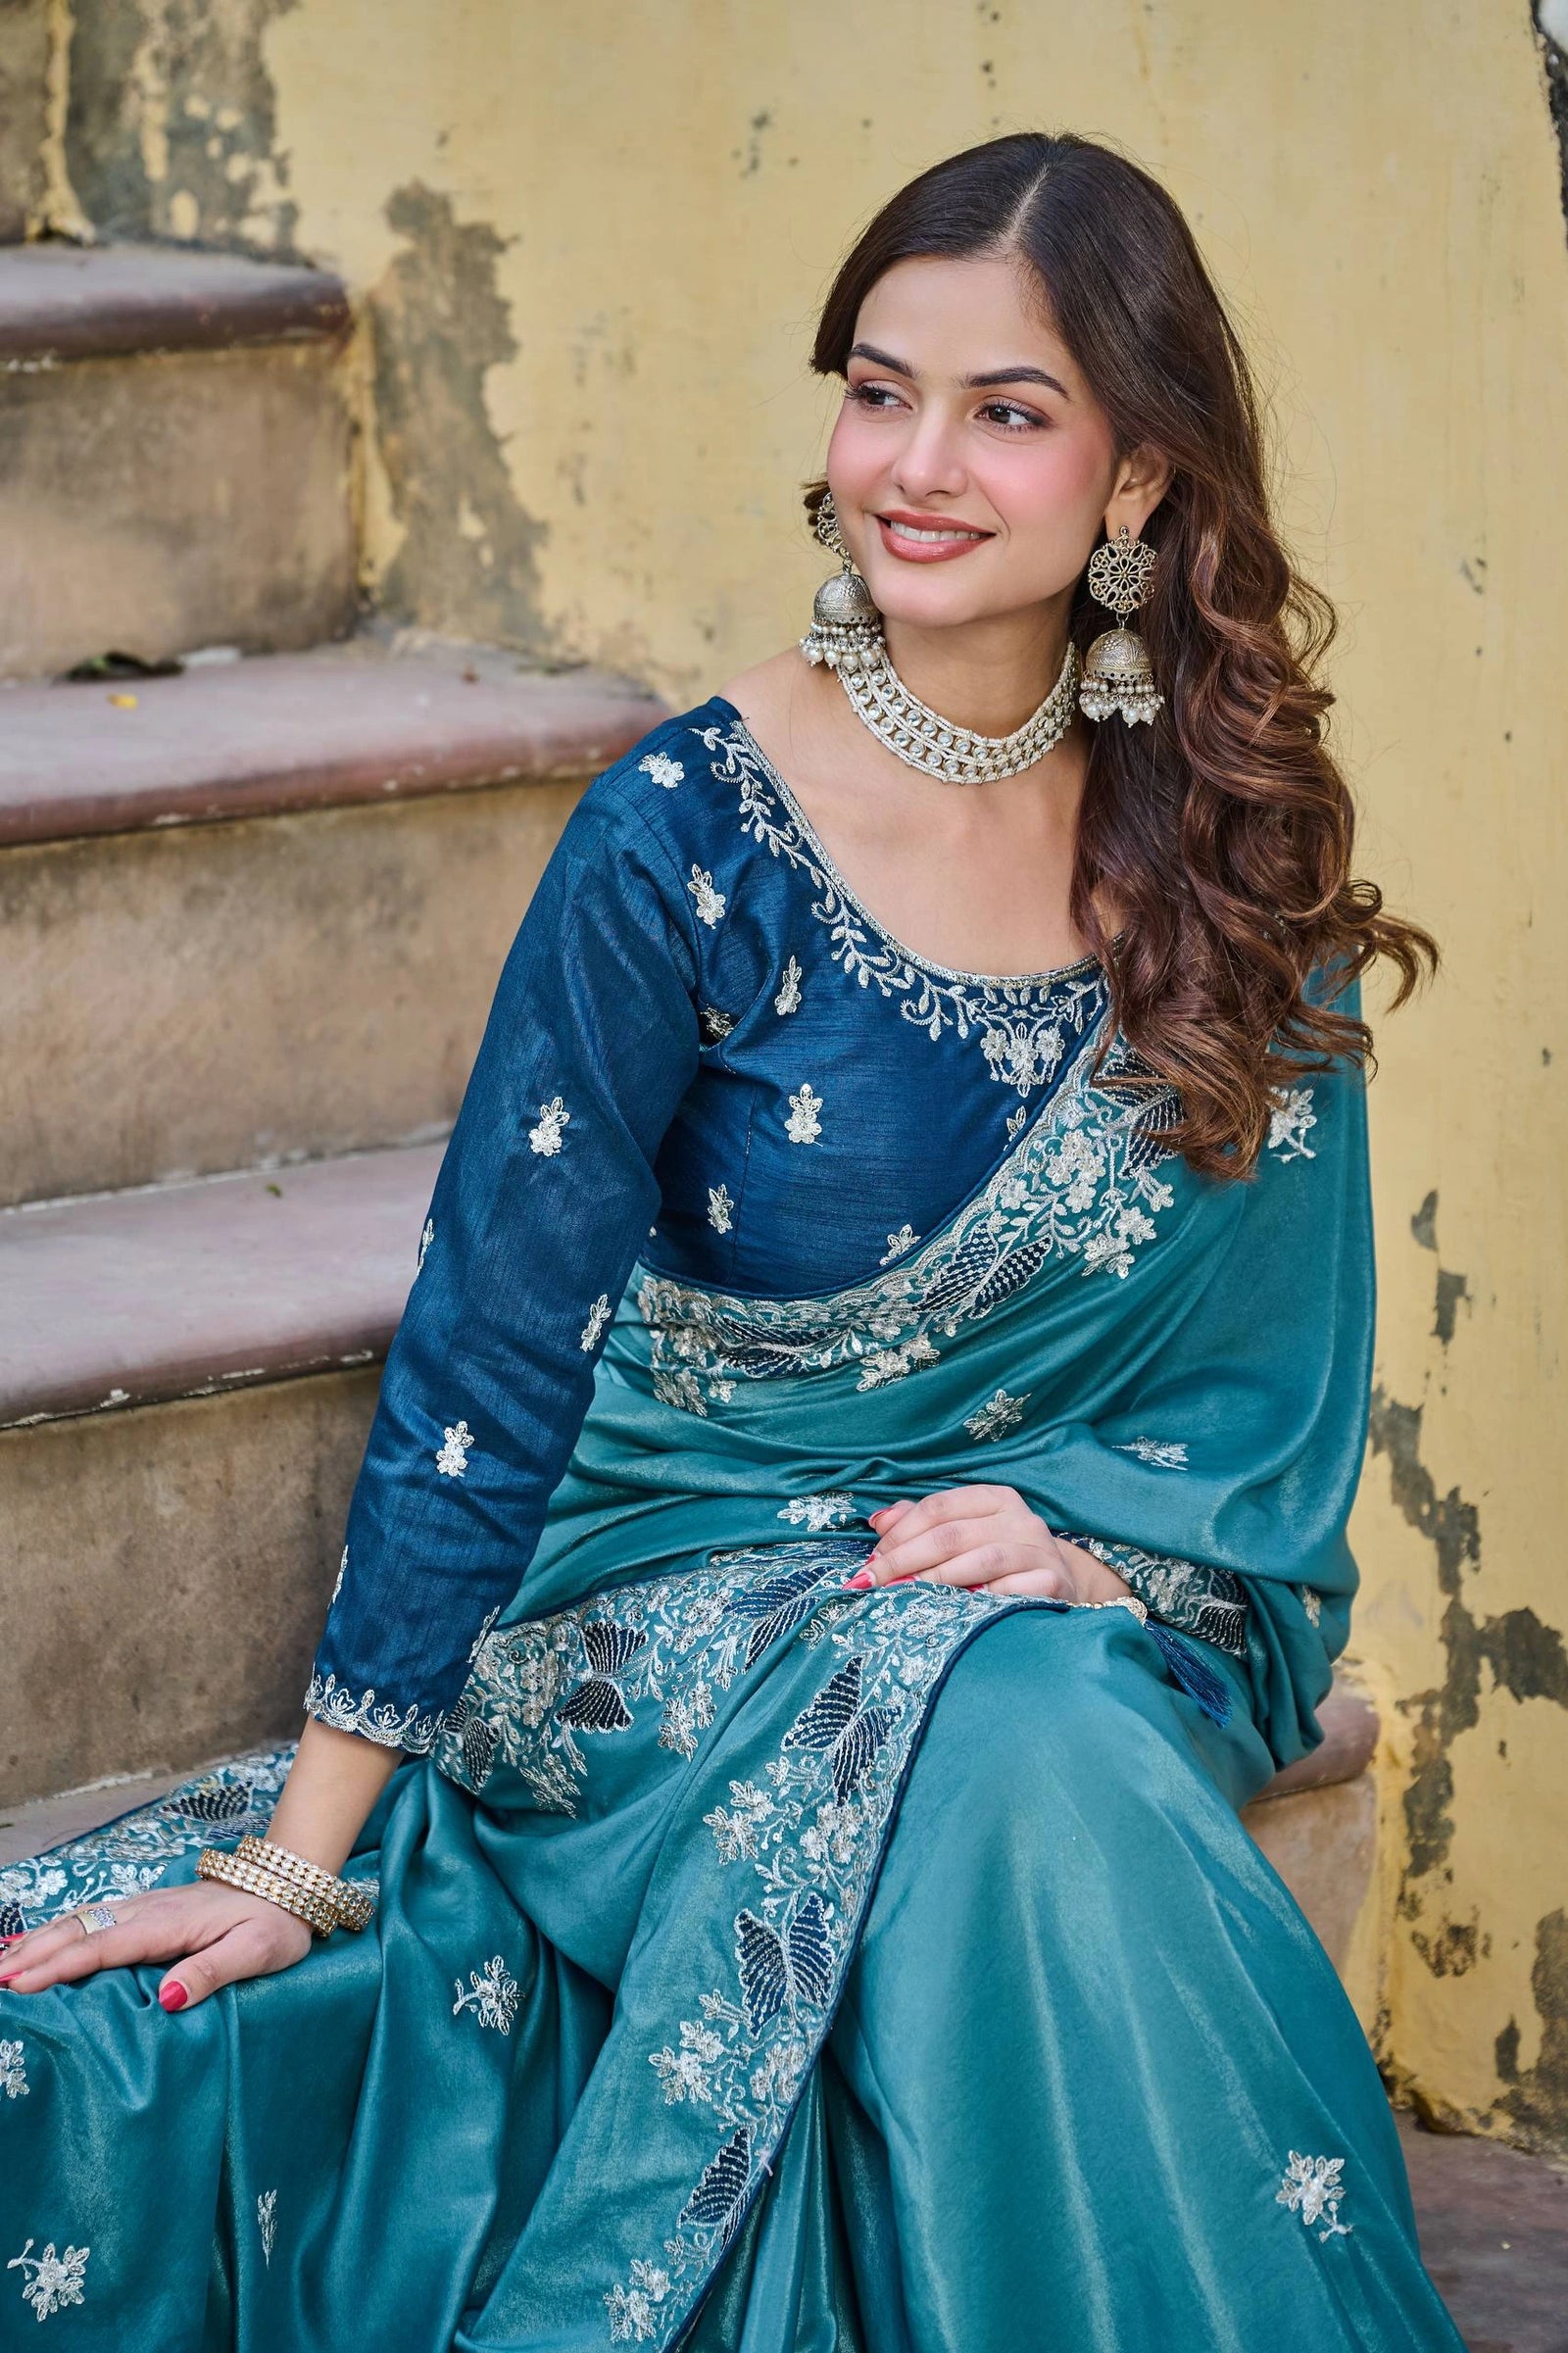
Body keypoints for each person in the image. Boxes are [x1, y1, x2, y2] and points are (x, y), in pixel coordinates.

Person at [0, 130, 1464, 2351]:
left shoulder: (1221, 866)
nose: (913, 464)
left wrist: (1105, 1550)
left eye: (1004, 409)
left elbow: (1239, 1443)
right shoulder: (685, 840)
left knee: (1035, 1694)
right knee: (1011, 1718)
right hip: (649, 1599)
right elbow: (487, 1352)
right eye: (875, 391)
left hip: (1024, 1625)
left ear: (1141, 483)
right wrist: (307, 1845)